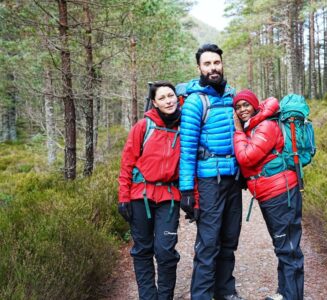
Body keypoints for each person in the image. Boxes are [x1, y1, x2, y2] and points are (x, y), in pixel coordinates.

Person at [179, 44, 243, 300]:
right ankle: (202, 295)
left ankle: (225, 291)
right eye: (207, 64)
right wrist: (186, 190)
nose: (213, 68)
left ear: (222, 64)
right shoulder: (196, 101)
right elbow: (187, 148)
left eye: (216, 63)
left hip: (233, 179)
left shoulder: (232, 96)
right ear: (199, 68)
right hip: (208, 181)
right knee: (208, 242)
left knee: (229, 239)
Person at [233, 90, 304, 300]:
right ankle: (284, 293)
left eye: (246, 105)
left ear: (255, 105)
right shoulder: (255, 126)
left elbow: (246, 157)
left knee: (288, 248)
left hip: (281, 194)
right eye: (238, 107)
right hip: (272, 194)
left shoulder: (265, 126)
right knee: (282, 245)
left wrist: (238, 132)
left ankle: (292, 296)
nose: (242, 110)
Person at [118, 81, 182, 300]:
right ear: (154, 102)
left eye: (171, 95)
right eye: (162, 98)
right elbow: (127, 162)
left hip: (169, 198)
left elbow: (191, 165)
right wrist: (123, 197)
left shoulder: (185, 127)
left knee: (165, 252)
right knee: (143, 250)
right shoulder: (143, 127)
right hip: (140, 197)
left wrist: (195, 199)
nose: (168, 100)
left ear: (177, 97)